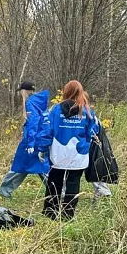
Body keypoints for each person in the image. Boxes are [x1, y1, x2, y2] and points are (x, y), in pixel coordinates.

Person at [36, 80, 99, 220]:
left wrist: (41, 148)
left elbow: (47, 131)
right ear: (80, 92)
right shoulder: (87, 111)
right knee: (73, 184)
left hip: (58, 154)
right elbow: (93, 131)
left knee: (54, 183)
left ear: (66, 92)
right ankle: (67, 214)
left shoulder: (56, 110)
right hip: (78, 155)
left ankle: (50, 212)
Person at [0, 81, 50, 198]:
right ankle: (57, 192)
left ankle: (58, 192)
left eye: (21, 91)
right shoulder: (40, 102)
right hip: (42, 139)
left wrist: (31, 143)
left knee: (21, 166)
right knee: (40, 167)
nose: (21, 94)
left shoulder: (30, 103)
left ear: (25, 91)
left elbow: (33, 122)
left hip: (32, 140)